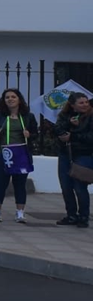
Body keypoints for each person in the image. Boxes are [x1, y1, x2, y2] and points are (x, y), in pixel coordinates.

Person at [0, 88, 37, 224]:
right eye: (7, 97)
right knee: (1, 183)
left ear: (19, 99)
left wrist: (29, 135)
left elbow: (36, 133)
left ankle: (20, 212)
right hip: (2, 153)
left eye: (13, 97)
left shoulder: (28, 116)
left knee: (20, 184)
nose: (10, 99)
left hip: (21, 153)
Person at [54, 92, 93, 228]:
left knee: (80, 186)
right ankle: (71, 214)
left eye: (86, 102)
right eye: (81, 103)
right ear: (72, 105)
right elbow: (57, 129)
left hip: (83, 155)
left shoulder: (90, 117)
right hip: (66, 154)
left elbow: (90, 137)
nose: (85, 105)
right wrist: (68, 125)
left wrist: (73, 134)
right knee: (66, 185)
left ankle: (84, 216)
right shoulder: (65, 116)